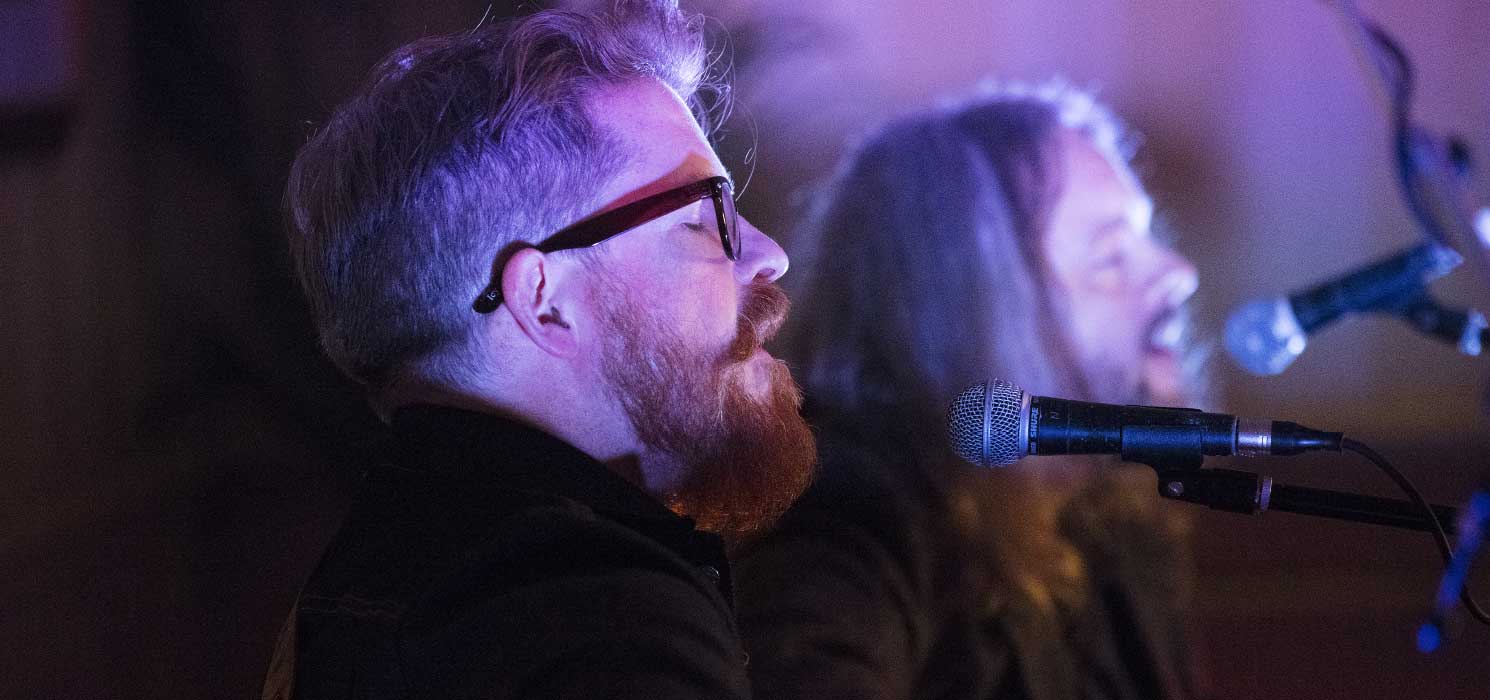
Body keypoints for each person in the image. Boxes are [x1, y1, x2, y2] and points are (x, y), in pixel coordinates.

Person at [264, 2, 815, 697]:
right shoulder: (600, 633)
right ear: (544, 300)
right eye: (704, 217)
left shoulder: (378, 595)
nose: (769, 255)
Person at [734, 84, 1203, 700]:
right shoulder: (851, 520)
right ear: (980, 313)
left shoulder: (1110, 517)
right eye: (1111, 256)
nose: (1178, 274)